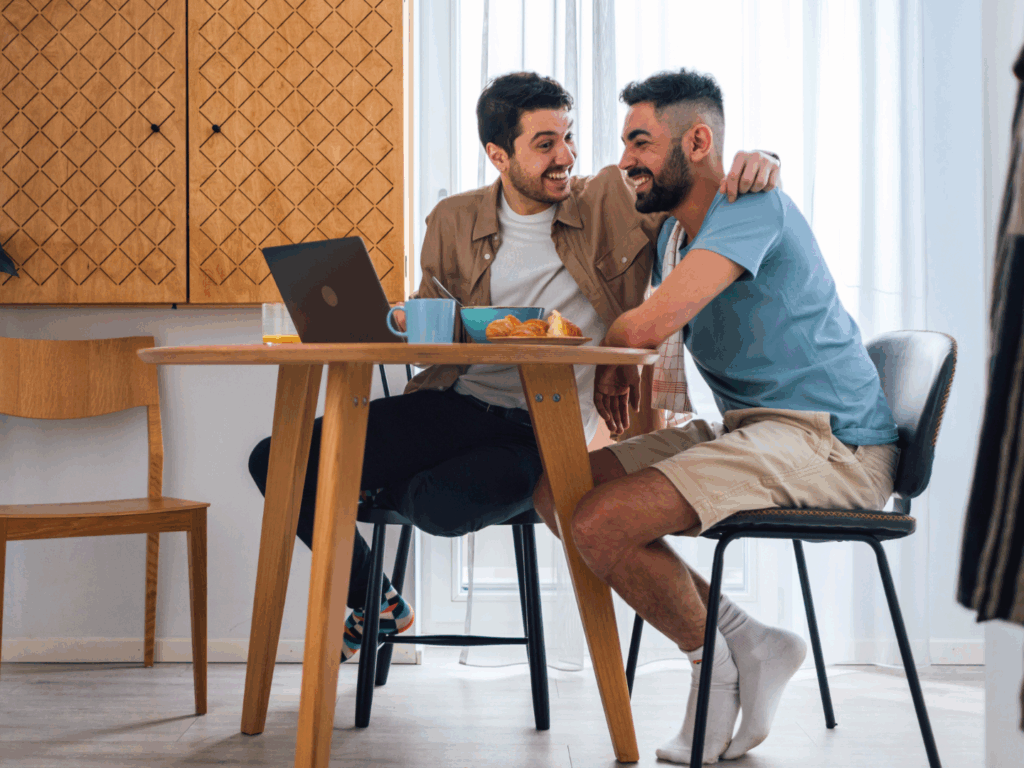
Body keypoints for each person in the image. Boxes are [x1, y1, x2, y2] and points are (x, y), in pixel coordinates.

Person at [247, 71, 781, 662]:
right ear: (498, 154)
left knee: (435, 504)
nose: (566, 157)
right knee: (278, 459)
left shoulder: (612, 199)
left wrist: (763, 158)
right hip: (454, 405)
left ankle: (387, 482)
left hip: (542, 426)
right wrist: (401, 321)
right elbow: (436, 336)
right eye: (545, 144)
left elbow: (690, 179)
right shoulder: (453, 219)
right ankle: (377, 604)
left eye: (568, 138)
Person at [533, 68, 900, 764]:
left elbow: (650, 325)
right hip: (755, 430)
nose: (624, 160)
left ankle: (712, 669)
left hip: (834, 444)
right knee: (561, 489)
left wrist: (620, 349)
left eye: (640, 142)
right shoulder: (672, 233)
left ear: (696, 141)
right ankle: (749, 642)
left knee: (604, 520)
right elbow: (613, 281)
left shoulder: (753, 206)